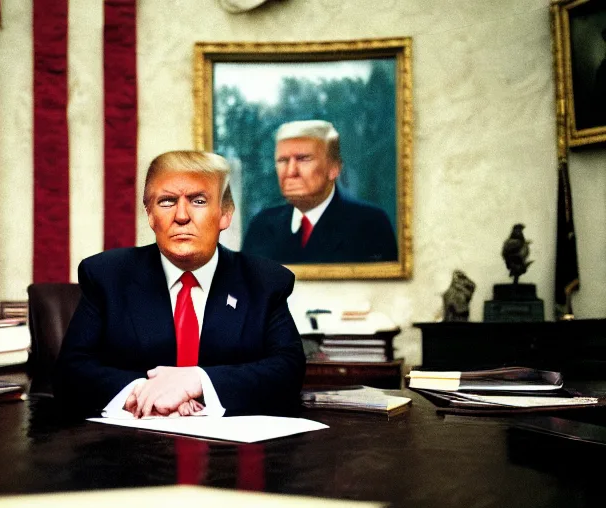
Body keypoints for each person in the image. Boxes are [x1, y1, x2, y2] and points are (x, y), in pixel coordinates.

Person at [55, 150, 305, 418]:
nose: (182, 215)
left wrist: (197, 382)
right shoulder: (107, 275)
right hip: (131, 448)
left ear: (225, 214)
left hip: (226, 453)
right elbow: (71, 369)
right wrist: (140, 392)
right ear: (150, 215)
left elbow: (288, 370)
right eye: (166, 202)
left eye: (198, 201)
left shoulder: (264, 282)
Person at [241, 121, 397, 265]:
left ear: (334, 168)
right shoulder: (261, 227)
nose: (291, 171)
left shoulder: (369, 226)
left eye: (303, 159)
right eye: (283, 160)